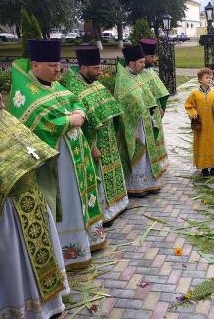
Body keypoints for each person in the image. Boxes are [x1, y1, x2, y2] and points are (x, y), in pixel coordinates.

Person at [9, 39, 105, 269]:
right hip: (57, 163)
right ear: (35, 66)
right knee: (67, 200)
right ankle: (67, 250)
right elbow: (34, 126)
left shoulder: (56, 86)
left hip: (76, 158)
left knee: (79, 196)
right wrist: (68, 120)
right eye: (52, 65)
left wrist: (79, 112)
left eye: (58, 64)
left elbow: (75, 100)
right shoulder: (25, 94)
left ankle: (86, 241)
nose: (57, 69)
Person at [0, 92, 69, 318]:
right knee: (13, 263)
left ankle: (48, 304)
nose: (0, 98)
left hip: (31, 205)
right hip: (7, 214)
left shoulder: (5, 119)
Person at [62, 48, 129, 224]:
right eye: (96, 68)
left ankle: (117, 205)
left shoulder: (95, 83)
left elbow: (110, 108)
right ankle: (104, 213)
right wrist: (92, 147)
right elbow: (80, 124)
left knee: (113, 171)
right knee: (99, 178)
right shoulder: (73, 89)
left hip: (109, 139)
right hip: (95, 143)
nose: (100, 71)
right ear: (83, 68)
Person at [114, 44, 167, 196]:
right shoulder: (123, 80)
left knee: (149, 152)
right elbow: (122, 106)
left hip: (147, 122)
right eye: (141, 63)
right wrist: (131, 130)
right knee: (140, 152)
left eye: (144, 62)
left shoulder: (141, 75)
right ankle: (137, 186)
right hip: (135, 125)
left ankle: (151, 182)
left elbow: (150, 96)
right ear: (131, 63)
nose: (144, 66)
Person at [185, 67, 214, 176]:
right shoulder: (194, 94)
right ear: (200, 80)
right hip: (201, 125)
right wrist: (193, 113)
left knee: (213, 143)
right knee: (202, 144)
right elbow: (189, 105)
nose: (209, 80)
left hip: (213, 124)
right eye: (207, 77)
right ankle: (204, 168)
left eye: (211, 78)